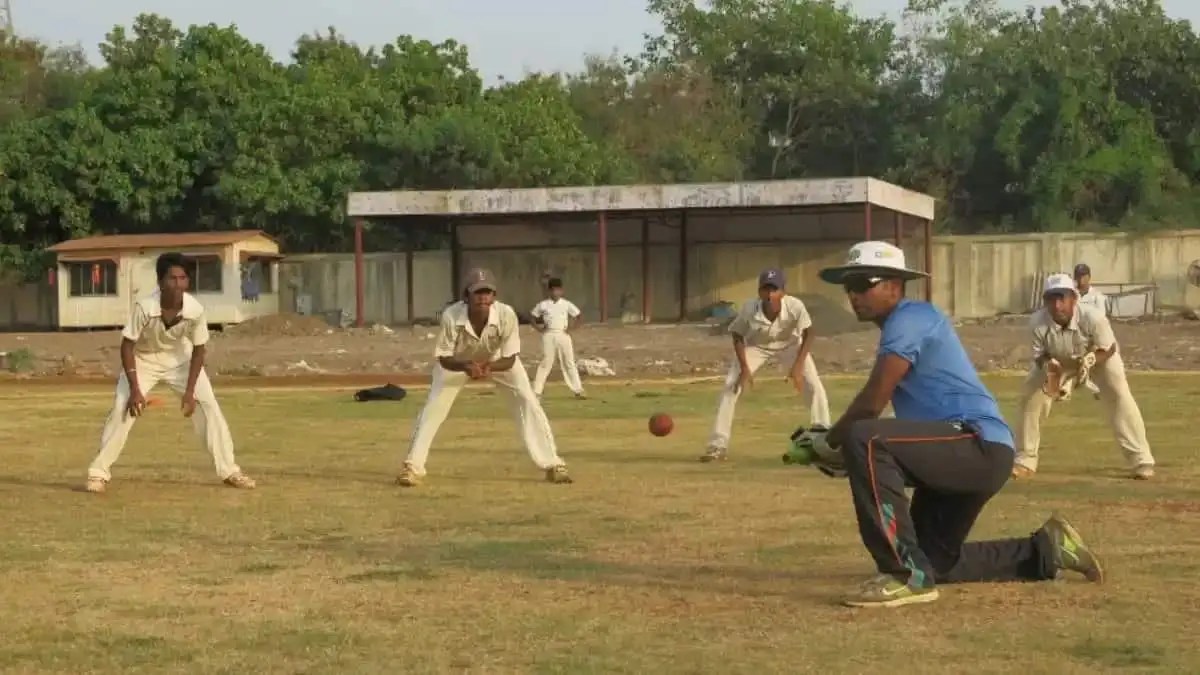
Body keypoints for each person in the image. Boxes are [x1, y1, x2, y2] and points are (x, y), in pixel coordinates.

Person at [815, 241, 1103, 609]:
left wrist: (831, 441)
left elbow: (873, 401)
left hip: (975, 443)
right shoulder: (904, 325)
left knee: (865, 438)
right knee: (934, 561)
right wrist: (843, 450)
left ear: (895, 286)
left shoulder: (910, 318)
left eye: (863, 282)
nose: (854, 294)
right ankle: (1046, 550)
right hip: (969, 450)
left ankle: (905, 576)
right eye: (849, 286)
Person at [84, 252, 256, 493]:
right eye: (172, 279)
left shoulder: (194, 310)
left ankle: (230, 470)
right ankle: (98, 474)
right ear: (160, 282)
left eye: (183, 279)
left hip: (180, 361)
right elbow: (127, 345)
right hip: (143, 360)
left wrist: (189, 392)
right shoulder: (145, 307)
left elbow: (198, 350)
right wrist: (135, 389)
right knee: (122, 407)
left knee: (209, 406)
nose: (178, 285)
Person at [397, 268, 573, 487]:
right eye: (477, 292)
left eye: (487, 292)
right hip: (457, 362)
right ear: (466, 296)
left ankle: (553, 464)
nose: (483, 297)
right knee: (434, 408)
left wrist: (489, 367)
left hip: (498, 359)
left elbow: (510, 358)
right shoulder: (452, 315)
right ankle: (412, 467)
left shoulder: (506, 314)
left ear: (494, 296)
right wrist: (466, 366)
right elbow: (444, 357)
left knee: (528, 402)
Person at [1012, 273, 1156, 480]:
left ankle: (1142, 461)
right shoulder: (1037, 322)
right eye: (1052, 299)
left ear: (1074, 299)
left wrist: (1089, 361)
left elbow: (1109, 347)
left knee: (1119, 396)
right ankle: (1025, 460)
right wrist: (1053, 374)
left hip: (1100, 358)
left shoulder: (1093, 317)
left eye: (1062, 298)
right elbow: (1040, 356)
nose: (1057, 305)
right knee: (1031, 397)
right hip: (1057, 361)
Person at [701, 268, 831, 462]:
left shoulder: (795, 306)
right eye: (766, 290)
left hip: (790, 345)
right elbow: (737, 334)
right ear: (759, 292)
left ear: (783, 292)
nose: (770, 295)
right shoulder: (749, 308)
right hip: (758, 346)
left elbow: (809, 333)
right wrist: (744, 368)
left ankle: (822, 441)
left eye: (775, 290)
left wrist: (798, 365)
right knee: (731, 385)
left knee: (814, 386)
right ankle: (717, 445)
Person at [530, 277, 586, 399]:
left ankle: (578, 390)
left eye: (558, 290)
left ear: (561, 291)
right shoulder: (543, 305)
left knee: (569, 362)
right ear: (549, 291)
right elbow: (532, 316)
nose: (555, 293)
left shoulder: (566, 304)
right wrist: (539, 329)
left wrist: (571, 328)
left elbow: (578, 315)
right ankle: (536, 391)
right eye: (553, 290)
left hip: (563, 334)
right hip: (549, 334)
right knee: (546, 363)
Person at [1073, 263, 1105, 399]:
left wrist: (1095, 340)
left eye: (1084, 277)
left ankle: (1097, 388)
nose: (1081, 280)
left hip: (1092, 336)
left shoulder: (1097, 296)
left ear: (1089, 277)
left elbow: (1101, 319)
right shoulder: (1072, 296)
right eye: (1078, 277)